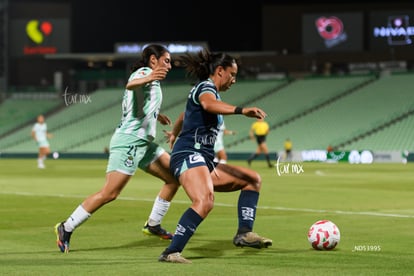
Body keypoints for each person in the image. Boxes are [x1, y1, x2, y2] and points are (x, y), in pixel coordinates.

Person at [54, 44, 179, 253]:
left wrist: (157, 114)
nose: (169, 65)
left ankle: (153, 224)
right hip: (129, 141)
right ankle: (66, 227)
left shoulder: (154, 80)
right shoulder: (145, 72)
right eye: (166, 60)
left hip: (143, 143)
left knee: (174, 177)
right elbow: (131, 85)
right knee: (110, 193)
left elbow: (139, 102)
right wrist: (149, 77)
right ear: (152, 60)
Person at [157, 49, 271, 264]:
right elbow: (208, 105)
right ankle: (171, 252)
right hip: (189, 154)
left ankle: (244, 234)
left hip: (204, 159)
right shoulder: (206, 88)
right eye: (232, 74)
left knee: (252, 180)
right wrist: (241, 110)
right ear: (220, 71)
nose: (234, 80)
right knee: (205, 201)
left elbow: (184, 114)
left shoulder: (207, 92)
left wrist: (174, 132)